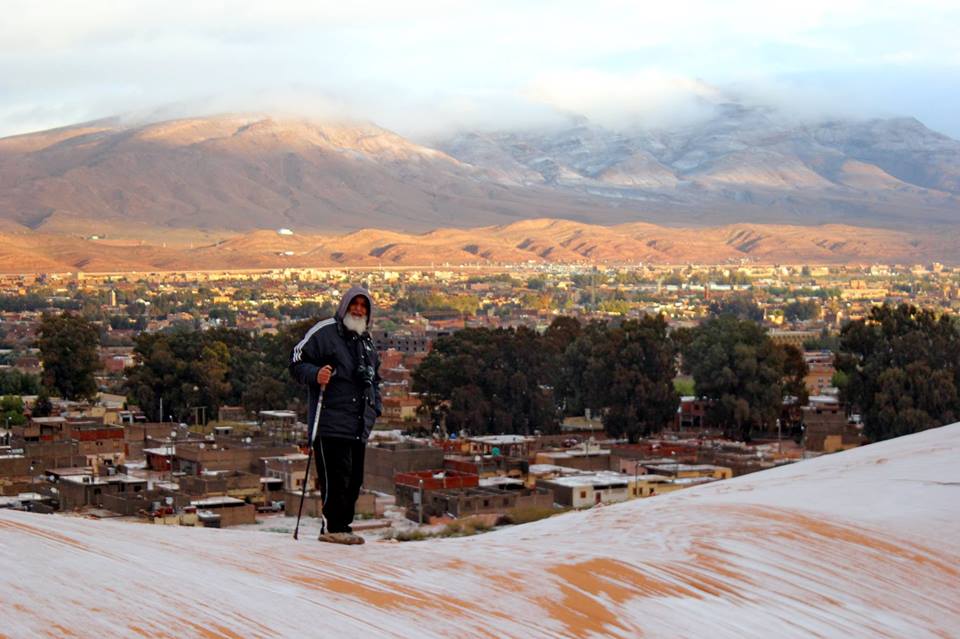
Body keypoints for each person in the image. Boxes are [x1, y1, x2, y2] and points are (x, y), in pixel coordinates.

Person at [289, 286, 381, 544]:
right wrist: (315, 374)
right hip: (329, 421)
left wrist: (375, 408)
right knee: (336, 477)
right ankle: (333, 526)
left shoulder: (366, 340)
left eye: (364, 306)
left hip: (358, 423)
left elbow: (376, 379)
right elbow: (296, 361)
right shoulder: (325, 332)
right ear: (344, 305)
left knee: (354, 481)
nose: (359, 309)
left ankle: (343, 527)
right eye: (355, 304)